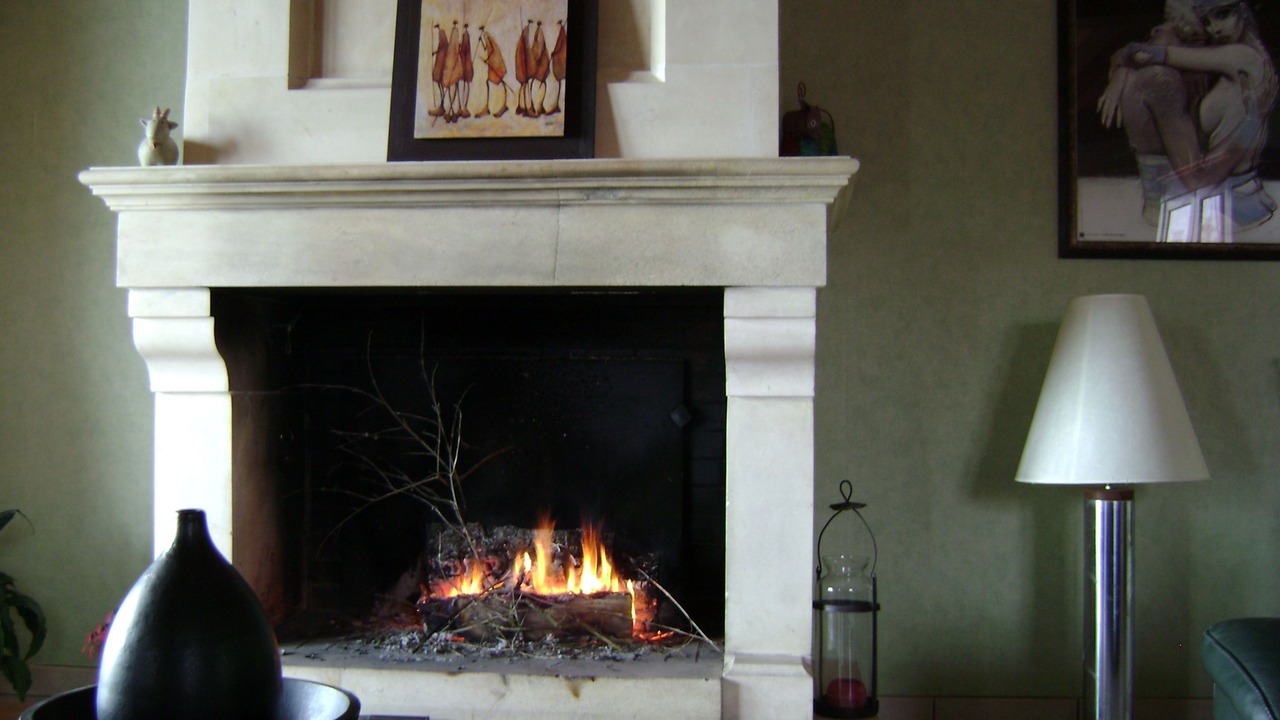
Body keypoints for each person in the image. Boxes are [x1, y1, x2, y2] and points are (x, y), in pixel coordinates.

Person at [1098, 0, 1277, 232]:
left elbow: (1142, 53)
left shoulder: (1243, 57)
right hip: (1241, 199)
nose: (1215, 29)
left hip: (1228, 209)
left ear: (1242, 10)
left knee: (1157, 80)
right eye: (1206, 21)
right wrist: (1122, 73)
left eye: (1221, 15)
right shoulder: (1247, 59)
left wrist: (1123, 71)